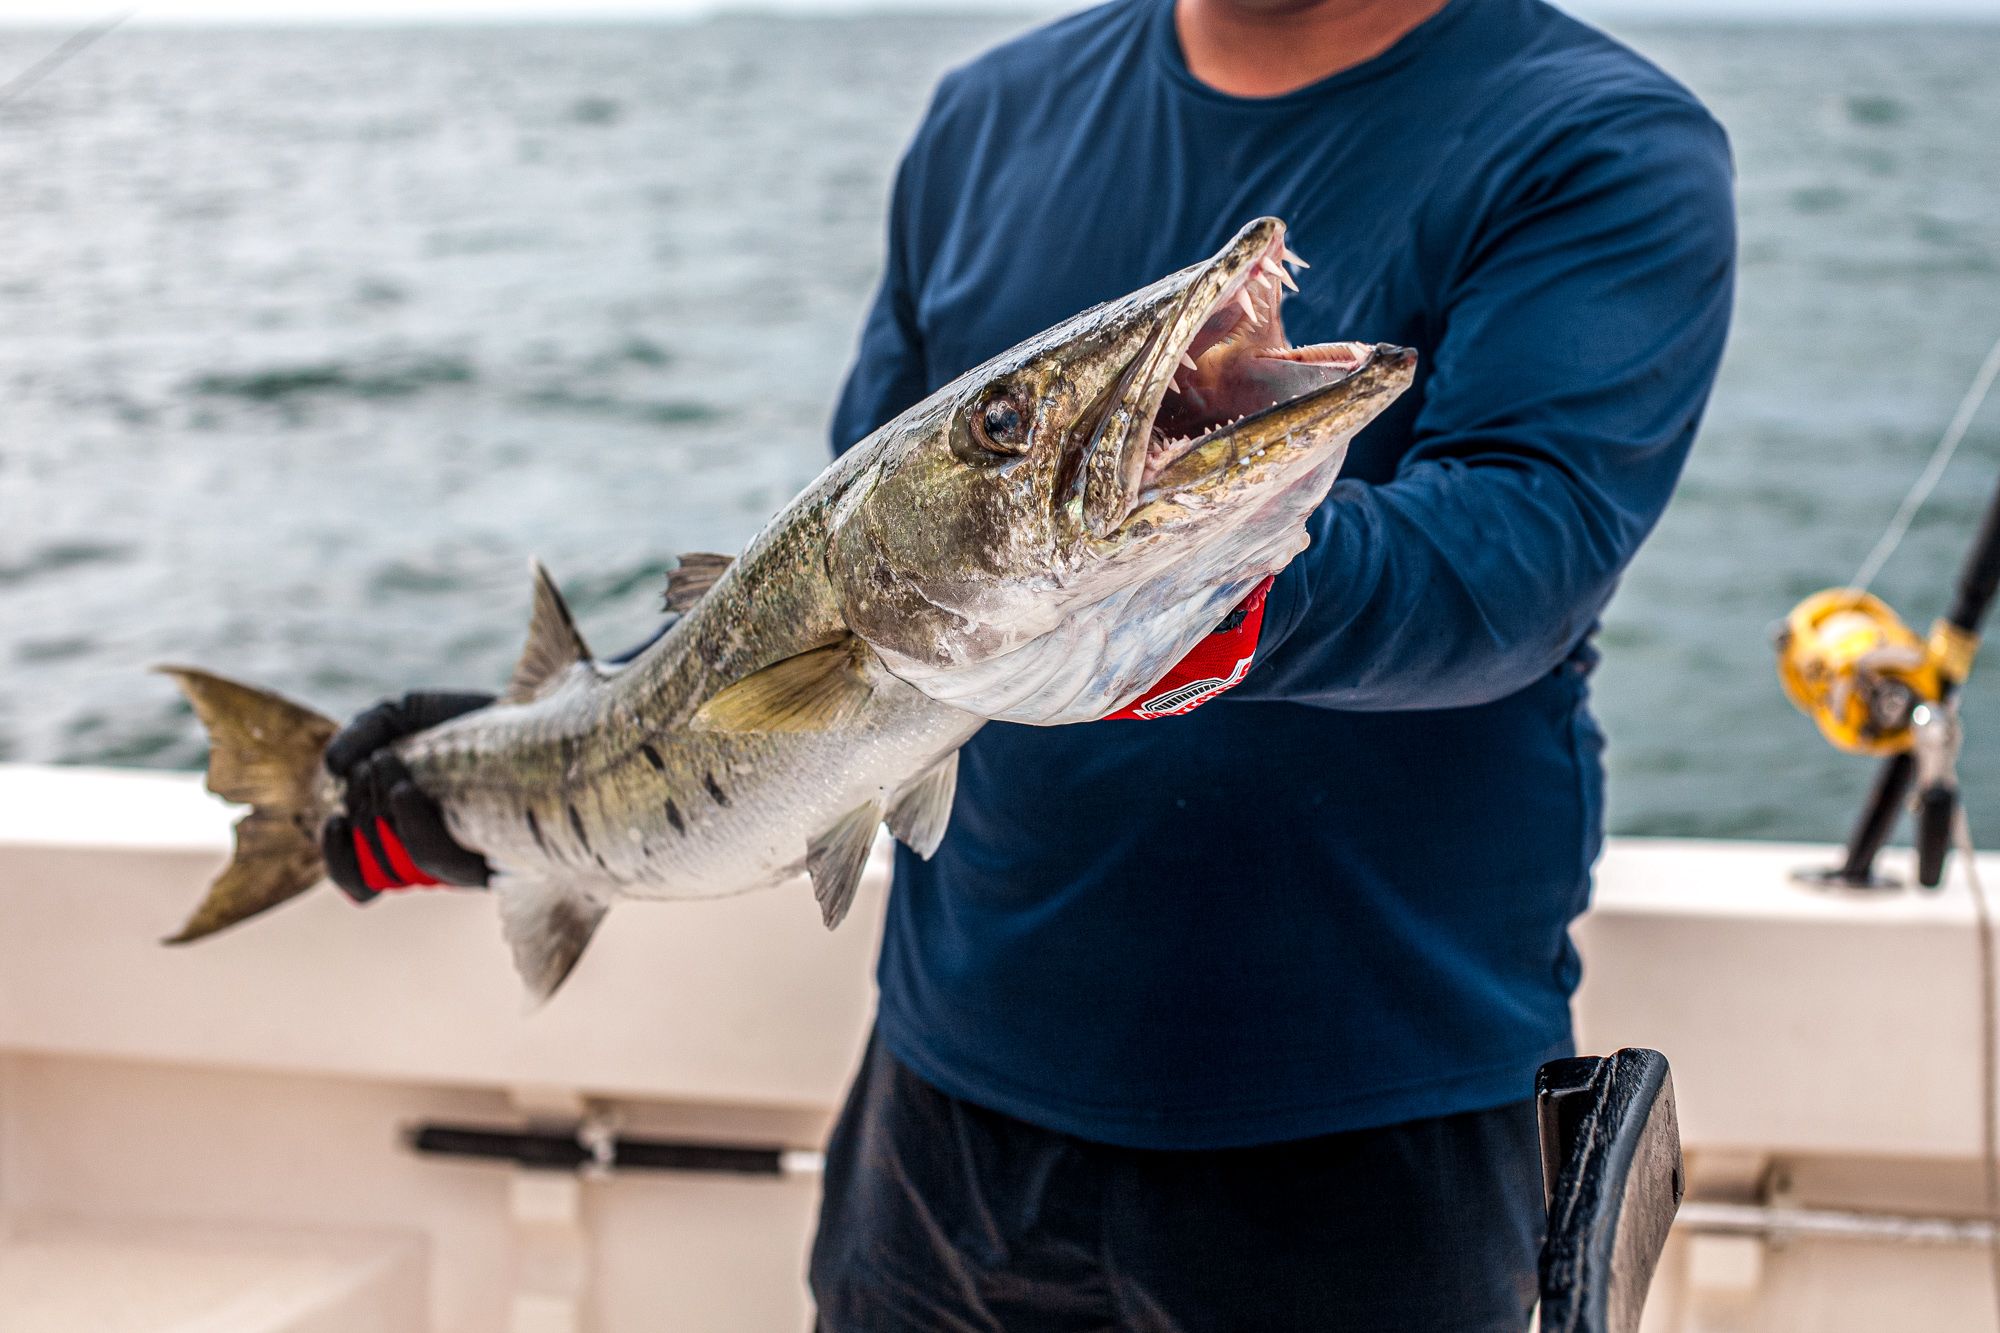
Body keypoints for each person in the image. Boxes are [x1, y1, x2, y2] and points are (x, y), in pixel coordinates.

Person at [326, 0, 1735, 1325]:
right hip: (946, 1105)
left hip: (1370, 1130)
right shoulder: (986, 118)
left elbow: (1520, 554)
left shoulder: (1597, 139)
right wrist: (537, 755)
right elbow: (836, 575)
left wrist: (1202, 591)